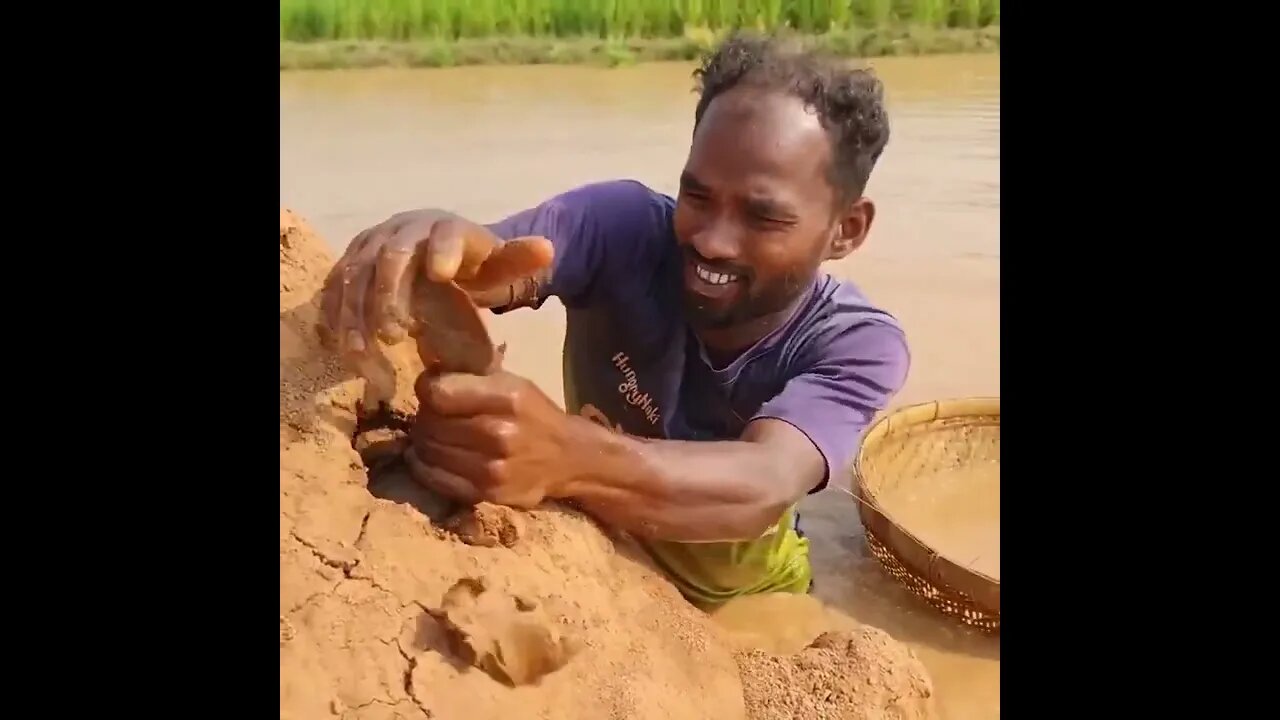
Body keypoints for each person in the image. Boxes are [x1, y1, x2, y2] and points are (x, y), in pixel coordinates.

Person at [319, 32, 909, 610]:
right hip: (598, 535)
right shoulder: (621, 227)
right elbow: (500, 264)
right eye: (697, 197)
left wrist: (566, 455)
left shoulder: (856, 343)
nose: (711, 241)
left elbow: (764, 482)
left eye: (763, 216)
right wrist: (438, 246)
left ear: (846, 229)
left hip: (742, 594)